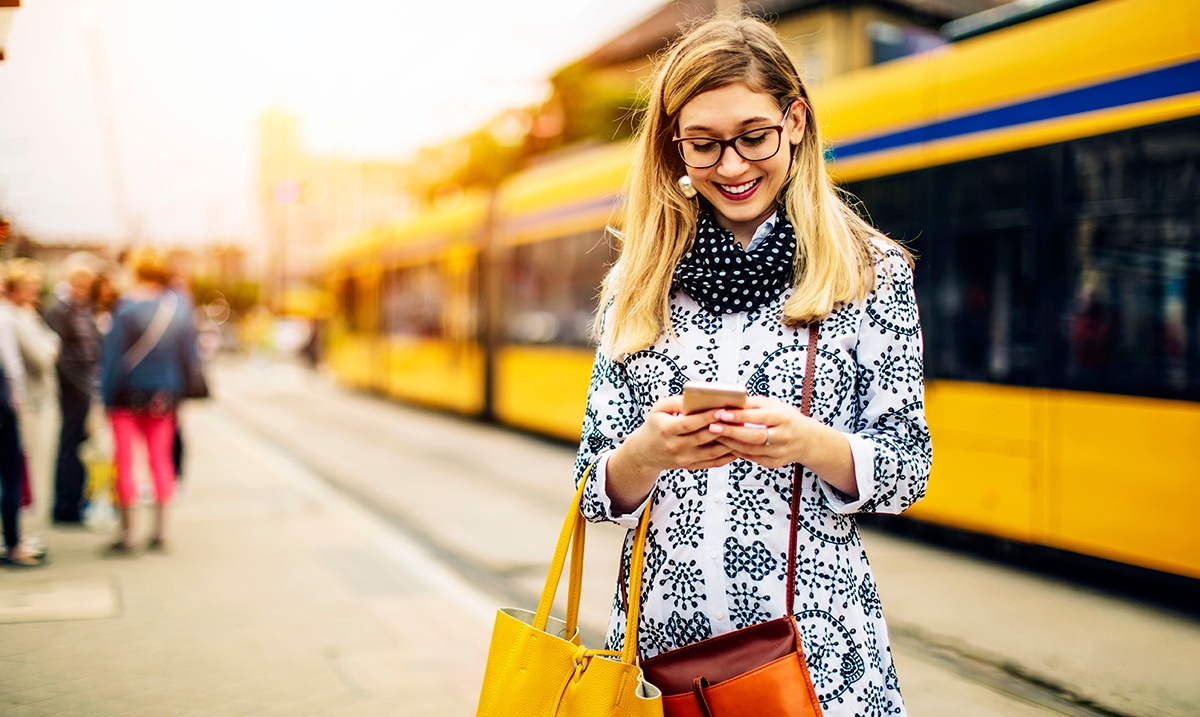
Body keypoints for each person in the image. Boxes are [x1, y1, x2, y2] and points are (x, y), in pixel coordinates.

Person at [573, 14, 931, 716]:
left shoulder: (869, 271)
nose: (732, 167)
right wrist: (644, 453)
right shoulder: (639, 284)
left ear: (794, 120)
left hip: (818, 660)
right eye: (704, 145)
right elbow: (591, 486)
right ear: (674, 147)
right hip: (659, 665)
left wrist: (809, 442)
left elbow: (909, 469)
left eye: (752, 137)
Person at [100, 247, 199, 552]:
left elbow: (112, 360)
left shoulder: (126, 308)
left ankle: (128, 535)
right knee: (161, 461)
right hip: (164, 397)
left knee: (126, 463)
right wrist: (179, 394)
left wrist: (105, 399)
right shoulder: (179, 308)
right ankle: (161, 532)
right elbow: (190, 358)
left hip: (126, 396)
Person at [5, 259, 61, 528]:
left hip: (38, 401)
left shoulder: (28, 315)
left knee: (32, 471)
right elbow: (43, 356)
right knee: (29, 471)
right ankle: (20, 532)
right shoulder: (12, 318)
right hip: (28, 404)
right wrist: (51, 345)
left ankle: (23, 531)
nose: (35, 292)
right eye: (30, 286)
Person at [45, 253, 101, 524]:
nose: (83, 286)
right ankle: (65, 505)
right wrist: (81, 388)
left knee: (82, 445)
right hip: (73, 389)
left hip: (87, 385)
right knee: (71, 445)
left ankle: (79, 500)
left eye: (86, 282)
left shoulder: (85, 308)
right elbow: (59, 356)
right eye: (78, 280)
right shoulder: (58, 309)